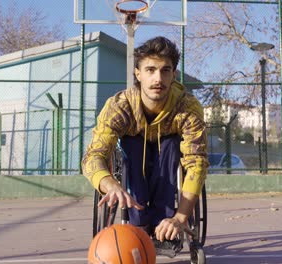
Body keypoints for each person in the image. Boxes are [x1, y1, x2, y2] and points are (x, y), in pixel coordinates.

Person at [82, 36, 208, 257]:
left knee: (171, 144)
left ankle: (165, 226)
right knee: (132, 145)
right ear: (138, 74)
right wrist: (109, 183)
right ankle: (136, 224)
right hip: (134, 149)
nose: (158, 78)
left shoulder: (187, 107)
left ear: (173, 74)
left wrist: (181, 217)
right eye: (150, 70)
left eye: (165, 70)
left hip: (168, 152)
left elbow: (197, 163)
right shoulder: (119, 107)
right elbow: (94, 155)